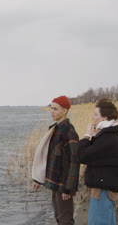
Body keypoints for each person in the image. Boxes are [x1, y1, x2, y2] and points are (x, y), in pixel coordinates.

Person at [78, 99, 118, 225]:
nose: (93, 117)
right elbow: (92, 152)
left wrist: (86, 135)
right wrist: (94, 136)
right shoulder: (109, 137)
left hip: (103, 191)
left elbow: (82, 155)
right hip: (106, 189)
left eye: (96, 114)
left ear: (105, 118)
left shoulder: (107, 139)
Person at [32, 96, 80, 225]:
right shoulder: (55, 130)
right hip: (55, 183)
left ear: (65, 110)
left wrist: (68, 189)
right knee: (58, 217)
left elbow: (74, 162)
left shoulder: (69, 132)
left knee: (66, 220)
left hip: (63, 185)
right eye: (51, 108)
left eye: (55, 109)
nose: (52, 111)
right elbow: (48, 158)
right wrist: (38, 178)